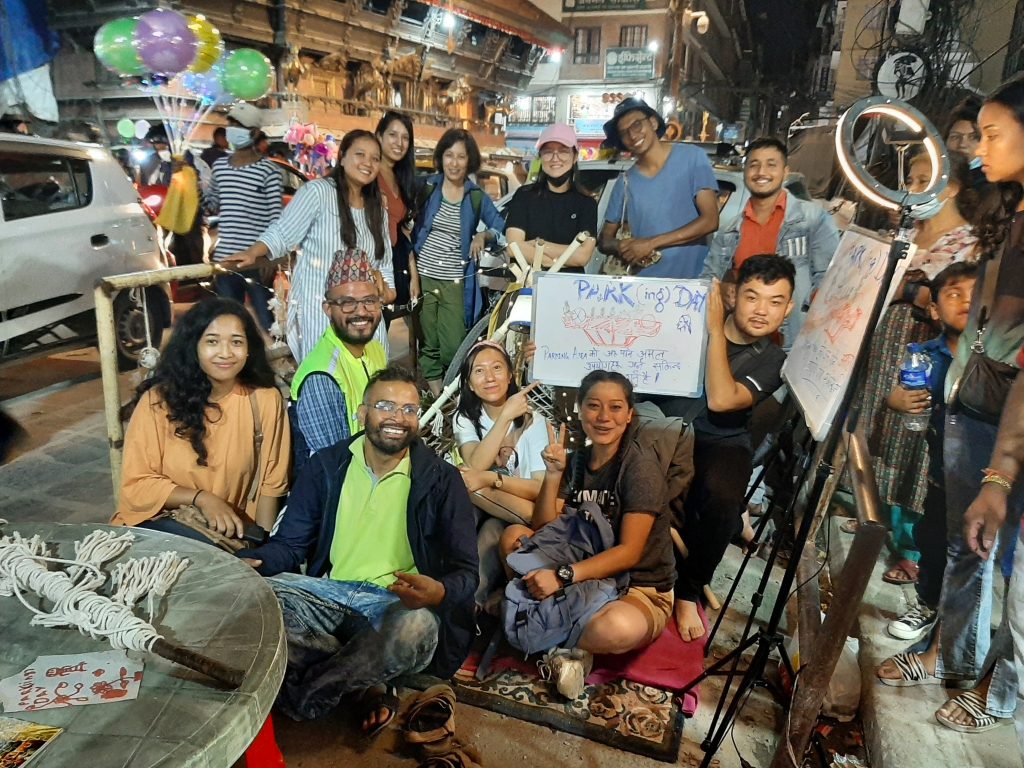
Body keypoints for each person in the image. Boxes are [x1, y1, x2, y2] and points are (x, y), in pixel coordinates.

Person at [873, 76, 1024, 735]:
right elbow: (996, 326)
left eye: (991, 135)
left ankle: (1001, 689)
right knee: (969, 548)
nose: (976, 151)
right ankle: (949, 657)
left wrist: (999, 476)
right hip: (974, 408)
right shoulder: (1011, 214)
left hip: (1010, 422)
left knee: (1017, 577)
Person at [238, 366, 478, 725]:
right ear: (363, 412)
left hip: (395, 604)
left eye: (409, 410)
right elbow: (290, 546)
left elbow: (468, 573)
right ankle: (364, 676)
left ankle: (306, 696)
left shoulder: (441, 480)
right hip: (327, 595)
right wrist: (251, 563)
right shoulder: (327, 466)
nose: (398, 418)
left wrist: (438, 593)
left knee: (417, 629)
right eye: (385, 406)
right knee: (254, 600)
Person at [498, 370, 676, 699]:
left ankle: (554, 641)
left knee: (616, 628)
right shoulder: (578, 458)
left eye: (616, 407)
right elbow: (543, 529)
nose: (604, 417)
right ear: (580, 409)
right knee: (512, 537)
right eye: (594, 406)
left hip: (637, 587)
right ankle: (566, 643)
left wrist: (561, 577)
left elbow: (629, 553)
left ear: (629, 414)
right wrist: (553, 474)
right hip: (579, 567)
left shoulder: (640, 469)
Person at [855, 151, 980, 588]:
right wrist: (910, 288)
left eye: (926, 180)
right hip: (885, 336)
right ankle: (876, 518)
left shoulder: (970, 241)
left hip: (925, 349)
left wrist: (910, 288)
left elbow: (941, 302)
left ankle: (910, 551)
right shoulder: (904, 231)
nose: (915, 188)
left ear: (952, 186)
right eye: (912, 179)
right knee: (877, 430)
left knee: (916, 443)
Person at [654, 255, 794, 641]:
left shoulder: (773, 358)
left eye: (775, 301)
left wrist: (715, 332)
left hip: (720, 440)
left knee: (722, 496)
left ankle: (688, 589)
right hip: (664, 426)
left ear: (789, 308)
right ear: (732, 295)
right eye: (752, 297)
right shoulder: (684, 321)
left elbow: (721, 399)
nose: (762, 310)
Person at [113, 299, 290, 541]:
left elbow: (271, 485)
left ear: (249, 349)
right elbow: (136, 486)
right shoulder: (158, 402)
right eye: (212, 341)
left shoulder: (265, 400)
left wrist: (261, 550)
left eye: (236, 342)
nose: (225, 353)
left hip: (228, 540)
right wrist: (202, 498)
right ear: (193, 345)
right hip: (161, 534)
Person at [223, 130, 396, 363]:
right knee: (327, 375)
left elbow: (383, 261)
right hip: (320, 311)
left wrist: (387, 289)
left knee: (372, 377)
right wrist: (254, 252)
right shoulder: (317, 192)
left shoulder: (376, 206)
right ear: (342, 157)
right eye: (360, 154)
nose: (368, 163)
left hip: (365, 315)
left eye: (375, 158)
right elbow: (283, 231)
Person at [878, 262, 977, 644]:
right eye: (954, 294)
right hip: (941, 473)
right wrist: (897, 401)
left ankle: (957, 633)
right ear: (933, 309)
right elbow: (899, 395)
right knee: (933, 541)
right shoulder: (924, 354)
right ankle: (927, 605)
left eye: (973, 294)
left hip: (983, 477)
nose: (965, 301)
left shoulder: (993, 359)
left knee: (969, 557)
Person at [701, 137, 839, 348]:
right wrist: (721, 289)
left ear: (785, 172)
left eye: (771, 165)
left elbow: (829, 281)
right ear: (745, 172)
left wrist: (816, 331)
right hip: (746, 342)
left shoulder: (812, 219)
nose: (761, 172)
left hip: (794, 341)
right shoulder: (729, 230)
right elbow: (708, 280)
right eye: (754, 165)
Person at [453, 341, 549, 609]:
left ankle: (468, 604)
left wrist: (493, 480)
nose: (490, 377)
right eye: (479, 371)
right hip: (491, 507)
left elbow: (540, 489)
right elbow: (478, 463)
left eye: (497, 368)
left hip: (529, 509)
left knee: (470, 486)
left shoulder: (534, 421)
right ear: (469, 383)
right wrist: (505, 417)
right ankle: (468, 602)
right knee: (487, 528)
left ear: (510, 375)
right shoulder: (466, 418)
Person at [412, 128, 506, 396]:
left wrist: (483, 234)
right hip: (424, 276)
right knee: (428, 343)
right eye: (448, 155)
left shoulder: (474, 196)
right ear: (441, 158)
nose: (454, 163)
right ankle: (438, 399)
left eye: (461, 157)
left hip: (456, 280)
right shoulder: (427, 187)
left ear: (470, 161)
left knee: (454, 345)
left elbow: (503, 227)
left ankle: (451, 395)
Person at [598, 97, 719, 279]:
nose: (632, 135)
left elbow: (710, 220)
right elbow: (604, 240)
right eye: (624, 133)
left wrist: (650, 244)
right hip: (646, 290)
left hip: (693, 286)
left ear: (653, 122)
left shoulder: (693, 158)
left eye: (637, 125)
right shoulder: (625, 182)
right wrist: (620, 246)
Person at [290, 250, 387, 475]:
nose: (361, 312)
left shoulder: (374, 348)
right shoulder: (321, 377)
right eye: (347, 303)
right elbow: (335, 470)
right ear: (328, 309)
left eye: (369, 301)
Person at [205, 118, 282, 331]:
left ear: (254, 131)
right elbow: (211, 206)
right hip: (226, 260)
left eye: (239, 125)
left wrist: (270, 258)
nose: (232, 131)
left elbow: (276, 219)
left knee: (269, 324)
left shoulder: (269, 171)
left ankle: (280, 360)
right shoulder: (220, 167)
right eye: (231, 125)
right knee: (229, 324)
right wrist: (189, 183)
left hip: (257, 261)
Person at [504, 123, 598, 274]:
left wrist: (538, 245)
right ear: (540, 157)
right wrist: (556, 262)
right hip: (527, 288)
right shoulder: (524, 196)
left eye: (563, 151)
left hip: (569, 288)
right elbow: (513, 248)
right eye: (548, 152)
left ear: (574, 157)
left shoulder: (586, 203)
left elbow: (582, 256)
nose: (555, 158)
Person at [375, 111, 418, 326]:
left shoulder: (401, 179)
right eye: (393, 135)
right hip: (367, 269)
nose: (399, 143)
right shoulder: (368, 173)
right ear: (379, 136)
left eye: (405, 137)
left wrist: (413, 274)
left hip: (390, 267)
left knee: (380, 337)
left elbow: (401, 231)